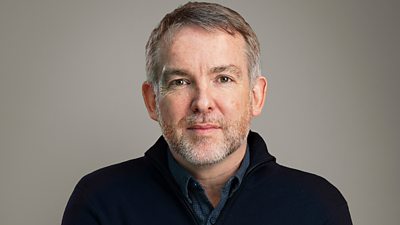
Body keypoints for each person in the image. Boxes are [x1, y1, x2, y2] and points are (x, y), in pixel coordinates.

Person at [61, 2, 352, 225]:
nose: (202, 102)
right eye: (180, 82)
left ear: (256, 96)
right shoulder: (99, 203)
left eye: (223, 78)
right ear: (152, 101)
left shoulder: (317, 207)